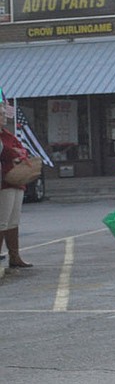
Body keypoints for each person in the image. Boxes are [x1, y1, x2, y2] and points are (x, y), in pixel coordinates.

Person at [0, 101, 33, 269]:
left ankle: (15, 256)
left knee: (14, 220)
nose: (3, 117)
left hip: (16, 180)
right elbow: (8, 151)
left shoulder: (8, 135)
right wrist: (15, 153)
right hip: (3, 182)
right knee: (2, 221)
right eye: (0, 114)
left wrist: (19, 154)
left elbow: (21, 149)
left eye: (3, 113)